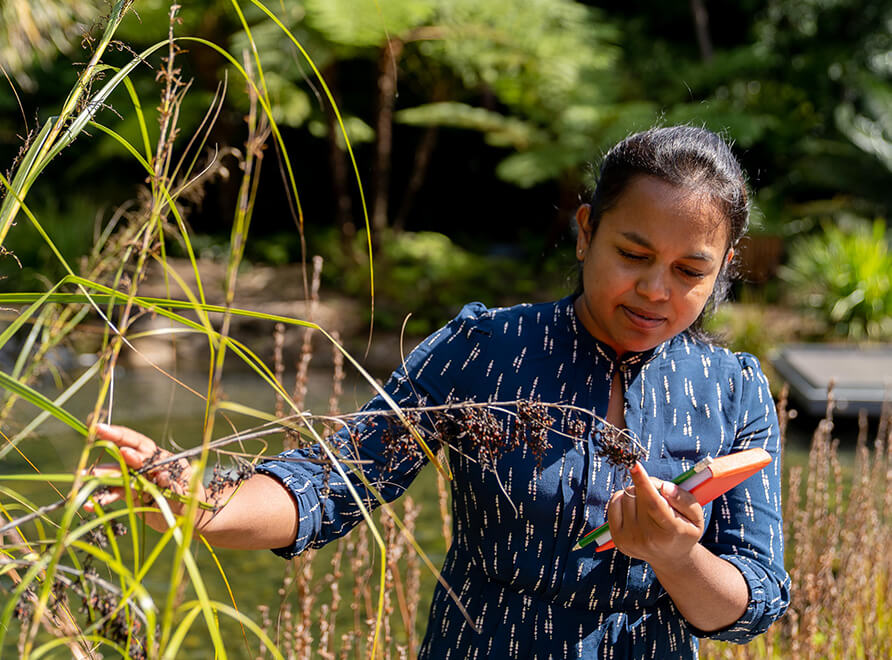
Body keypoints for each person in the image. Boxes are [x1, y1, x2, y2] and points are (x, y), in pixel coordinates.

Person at [88, 125, 791, 658]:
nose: (655, 289)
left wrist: (674, 556)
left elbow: (754, 601)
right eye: (633, 255)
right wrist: (194, 502)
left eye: (689, 270)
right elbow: (335, 479)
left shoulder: (735, 392)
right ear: (585, 233)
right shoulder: (484, 350)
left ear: (725, 268)